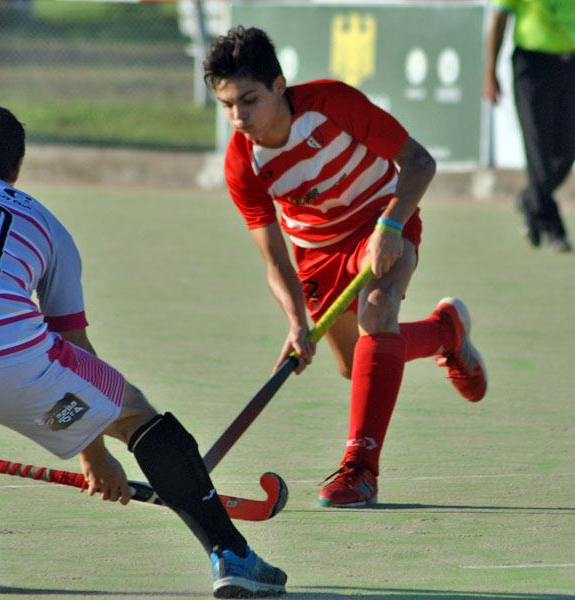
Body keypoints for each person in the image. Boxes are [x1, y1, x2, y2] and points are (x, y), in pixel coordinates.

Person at [0, 103, 287, 597]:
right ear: (17, 168)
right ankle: (232, 556)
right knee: (134, 414)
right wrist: (93, 451)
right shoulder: (41, 219)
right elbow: (72, 346)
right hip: (28, 385)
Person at [202, 27, 488, 508]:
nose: (238, 116)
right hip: (317, 255)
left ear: (279, 85)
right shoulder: (242, 163)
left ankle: (360, 470)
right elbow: (274, 257)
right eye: (227, 105)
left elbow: (419, 162)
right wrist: (296, 322)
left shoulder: (332, 104)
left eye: (249, 100)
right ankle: (446, 333)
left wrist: (390, 226)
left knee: (379, 311)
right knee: (357, 365)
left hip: (382, 220)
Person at [483, 0, 575, 252]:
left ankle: (529, 200)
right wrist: (490, 73)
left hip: (570, 65)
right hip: (533, 67)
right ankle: (553, 229)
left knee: (567, 150)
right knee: (538, 146)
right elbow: (499, 19)